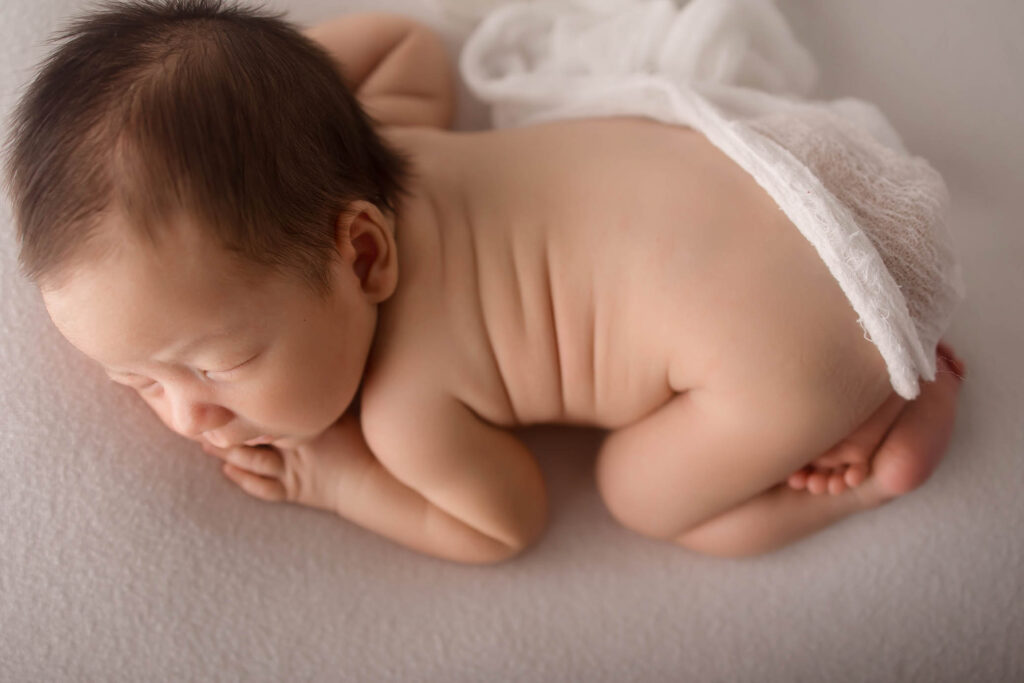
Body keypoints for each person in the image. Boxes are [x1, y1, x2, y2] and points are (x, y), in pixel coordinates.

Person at [3, 0, 967, 564]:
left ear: (366, 257)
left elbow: (501, 523)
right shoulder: (383, 132)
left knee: (645, 496)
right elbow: (402, 38)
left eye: (218, 365)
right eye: (140, 380)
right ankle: (874, 366)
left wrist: (340, 480)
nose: (186, 417)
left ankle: (878, 448)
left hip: (787, 344)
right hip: (794, 172)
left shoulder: (402, 409)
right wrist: (269, 125)